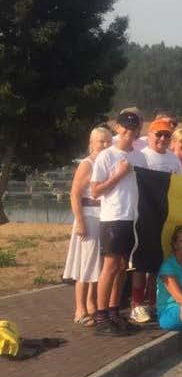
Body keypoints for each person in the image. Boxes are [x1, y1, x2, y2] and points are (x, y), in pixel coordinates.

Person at [90, 111, 148, 336]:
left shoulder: (140, 157)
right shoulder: (106, 155)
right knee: (110, 266)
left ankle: (115, 312)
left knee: (124, 266)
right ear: (118, 128)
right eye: (125, 129)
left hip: (131, 219)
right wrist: (118, 175)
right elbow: (95, 191)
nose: (129, 134)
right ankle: (101, 315)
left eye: (133, 130)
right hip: (113, 217)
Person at [129, 119, 182, 325]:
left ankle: (153, 301)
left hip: (165, 217)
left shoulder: (173, 159)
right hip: (144, 216)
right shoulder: (141, 157)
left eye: (166, 135)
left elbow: (180, 188)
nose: (162, 138)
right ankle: (136, 304)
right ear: (149, 135)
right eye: (158, 134)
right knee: (141, 264)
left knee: (158, 264)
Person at [64, 127, 112, 328]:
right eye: (101, 141)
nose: (105, 145)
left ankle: (92, 304)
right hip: (89, 217)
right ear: (91, 143)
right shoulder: (87, 164)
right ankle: (80, 309)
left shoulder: (108, 163)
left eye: (108, 141)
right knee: (86, 265)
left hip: (105, 217)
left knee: (98, 265)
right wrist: (80, 221)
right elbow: (75, 194)